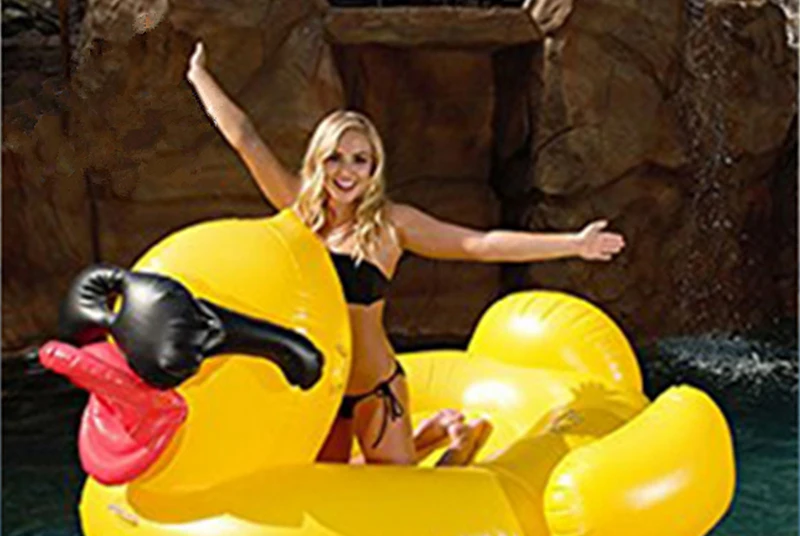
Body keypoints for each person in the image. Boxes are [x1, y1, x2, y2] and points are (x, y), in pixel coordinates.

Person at [186, 42, 625, 467]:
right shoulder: (298, 212)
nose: (346, 172)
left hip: (374, 387)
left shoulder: (392, 225)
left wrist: (574, 243)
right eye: (336, 158)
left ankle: (457, 447)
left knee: (402, 486)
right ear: (319, 161)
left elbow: (480, 244)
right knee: (328, 487)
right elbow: (246, 139)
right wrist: (198, 76)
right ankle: (432, 432)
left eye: (360, 160)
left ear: (373, 168)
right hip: (321, 391)